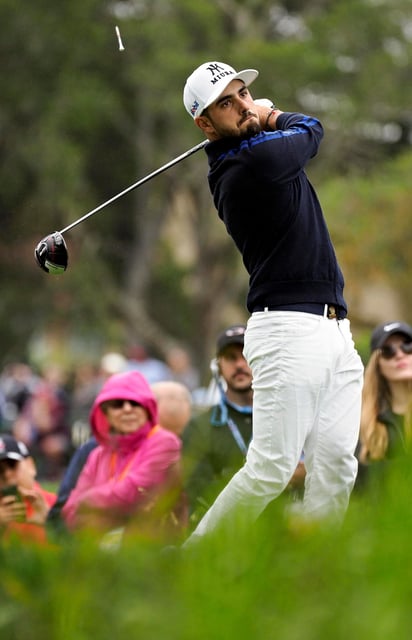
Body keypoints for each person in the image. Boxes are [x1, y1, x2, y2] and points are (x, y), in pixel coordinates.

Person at [181, 60, 364, 542]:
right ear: (204, 124)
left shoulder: (256, 151)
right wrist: (272, 112)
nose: (243, 105)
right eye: (227, 102)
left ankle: (317, 570)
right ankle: (191, 564)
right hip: (287, 329)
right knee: (271, 467)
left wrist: (257, 120)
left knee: (336, 466)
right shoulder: (245, 164)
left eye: (243, 95)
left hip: (334, 329)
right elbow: (312, 129)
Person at [183, 324, 305, 529]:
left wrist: (305, 477)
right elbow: (200, 494)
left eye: (247, 355)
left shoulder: (292, 418)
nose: (239, 364)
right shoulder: (199, 427)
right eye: (230, 357)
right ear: (218, 367)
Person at [47, 379, 192, 533]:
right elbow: (69, 509)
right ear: (105, 414)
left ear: (148, 408)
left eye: (135, 403)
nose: (127, 409)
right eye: (117, 404)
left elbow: (132, 492)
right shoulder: (98, 453)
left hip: (149, 549)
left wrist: (86, 502)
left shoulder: (164, 442)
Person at [357, 321, 412, 488]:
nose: (399, 354)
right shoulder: (364, 424)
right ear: (377, 365)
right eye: (388, 351)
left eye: (407, 346)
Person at [0, 434, 56, 544]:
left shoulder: (57, 505)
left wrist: (52, 522)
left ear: (31, 465)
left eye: (12, 465)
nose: (7, 474)